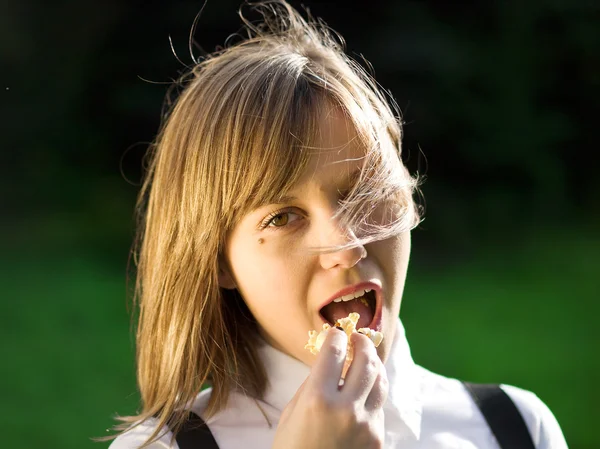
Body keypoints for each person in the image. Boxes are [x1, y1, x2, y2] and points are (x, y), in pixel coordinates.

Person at [105, 1, 569, 448]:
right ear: (219, 262)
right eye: (282, 217)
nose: (347, 245)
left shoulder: (516, 428)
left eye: (364, 187)